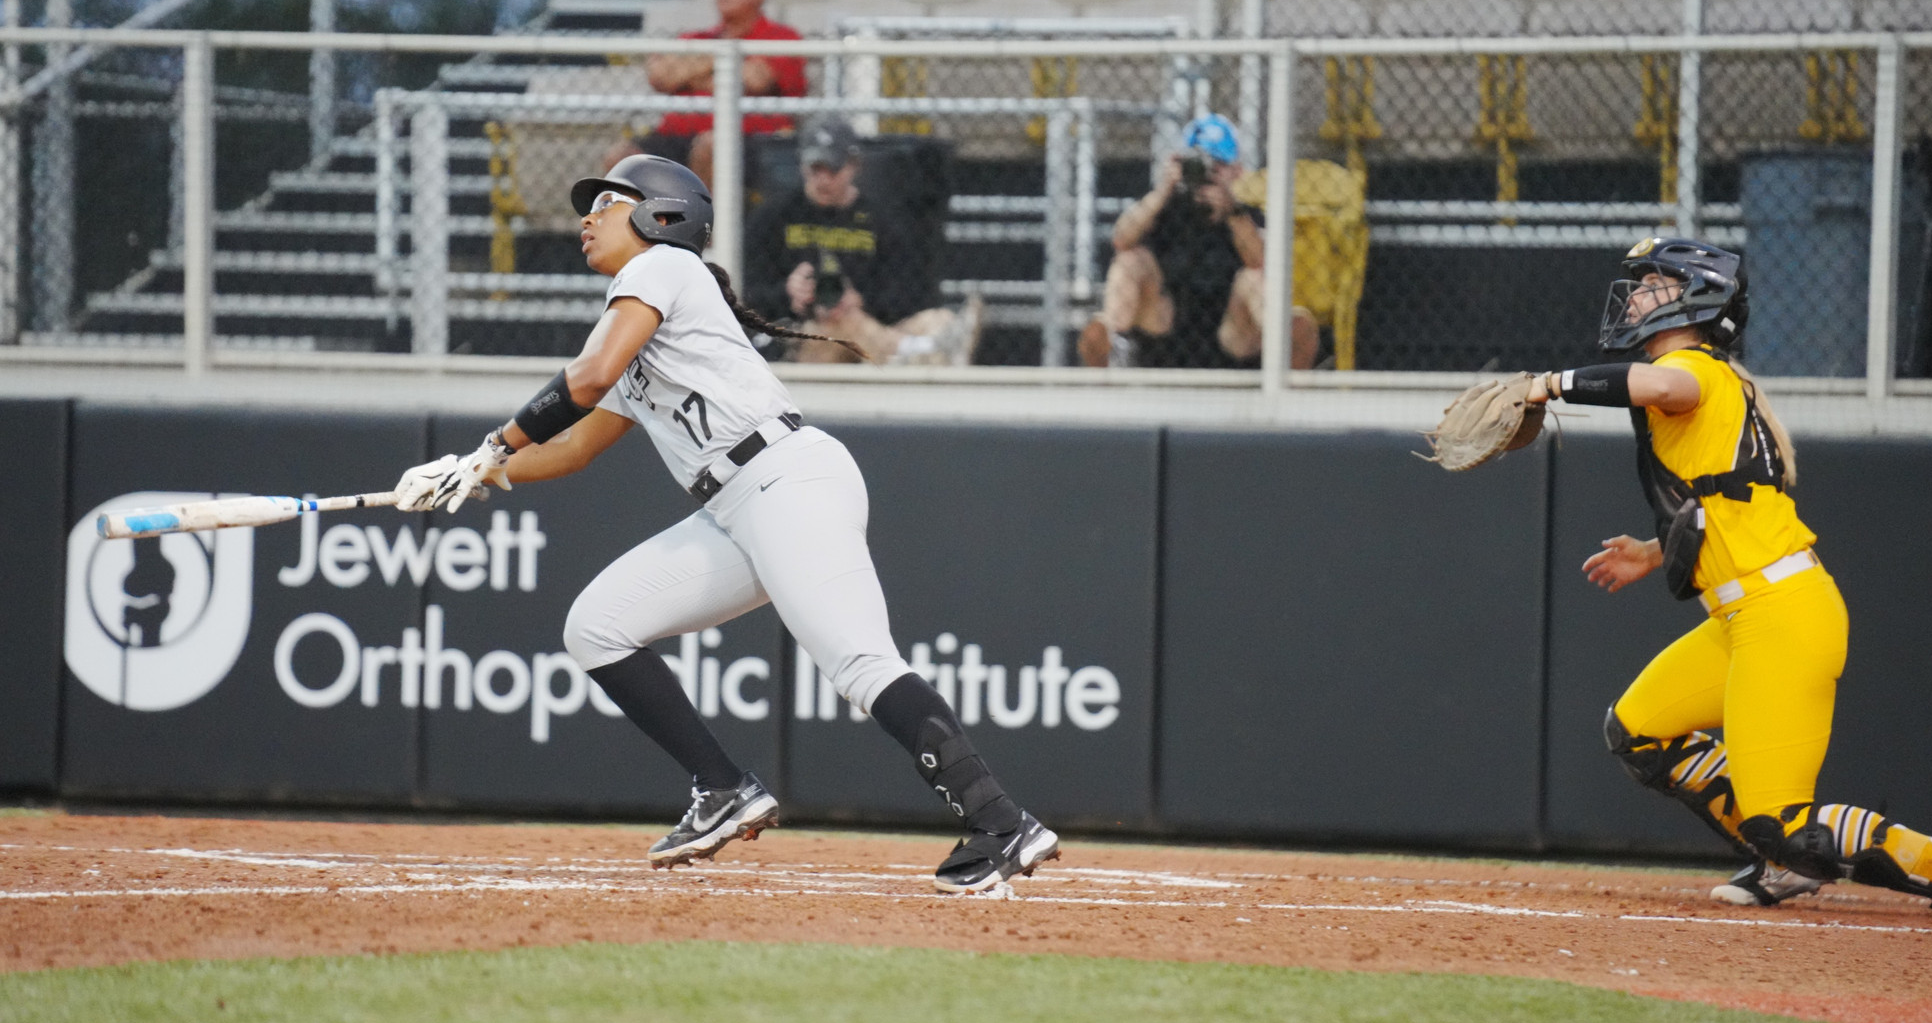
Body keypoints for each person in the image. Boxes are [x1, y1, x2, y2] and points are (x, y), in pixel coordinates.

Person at [391, 154, 1059, 893]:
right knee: (596, 626)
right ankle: (724, 788)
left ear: (661, 215)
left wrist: (494, 445)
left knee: (861, 663)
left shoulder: (661, 269)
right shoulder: (638, 313)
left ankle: (1001, 822)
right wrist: (476, 471)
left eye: (606, 203)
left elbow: (583, 381)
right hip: (737, 505)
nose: (586, 217)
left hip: (784, 480)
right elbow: (577, 445)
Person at [1537, 236, 1932, 909]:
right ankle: (1782, 860)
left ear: (1694, 298)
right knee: (1637, 730)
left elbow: (1660, 384)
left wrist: (1549, 384)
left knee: (1786, 820)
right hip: (1742, 617)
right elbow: (1729, 500)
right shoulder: (1713, 383)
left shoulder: (1697, 368)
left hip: (1781, 616)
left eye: (1655, 284)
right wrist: (1655, 550)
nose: (1638, 296)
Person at [1078, 113, 1320, 370]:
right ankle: (1114, 347)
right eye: (1199, 165)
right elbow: (1121, 239)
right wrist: (1163, 190)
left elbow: (1260, 260)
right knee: (1129, 260)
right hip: (1164, 322)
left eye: (1217, 167)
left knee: (1254, 277)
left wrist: (1233, 211)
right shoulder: (1166, 207)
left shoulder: (1246, 213)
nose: (1207, 174)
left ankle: (1284, 352)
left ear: (1237, 171)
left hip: (1232, 333)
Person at [746, 115, 980, 365]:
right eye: (815, 169)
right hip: (801, 338)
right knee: (839, 323)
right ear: (802, 166)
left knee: (938, 321)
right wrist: (789, 294)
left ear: (853, 165)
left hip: (869, 329)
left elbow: (909, 294)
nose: (823, 180)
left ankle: (908, 349)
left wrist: (861, 301)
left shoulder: (881, 220)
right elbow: (749, 294)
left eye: (833, 169)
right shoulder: (774, 217)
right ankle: (910, 351)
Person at [603, 0, 806, 187]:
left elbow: (754, 79)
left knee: (710, 146)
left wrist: (691, 72)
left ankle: (704, 225)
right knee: (620, 157)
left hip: (749, 140)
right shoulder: (697, 38)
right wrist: (725, 61)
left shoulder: (780, 37)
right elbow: (661, 75)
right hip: (677, 136)